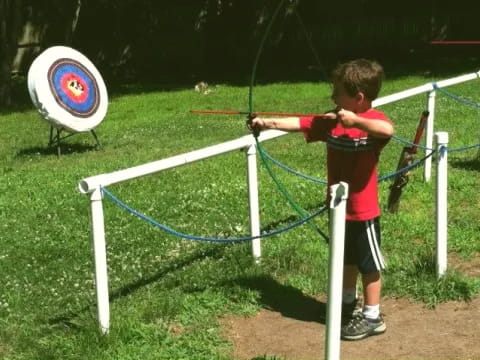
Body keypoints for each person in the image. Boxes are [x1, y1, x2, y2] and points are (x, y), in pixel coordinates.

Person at [250, 59, 394, 340]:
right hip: (338, 209)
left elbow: (388, 131)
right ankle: (346, 305)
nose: (333, 97)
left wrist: (355, 121)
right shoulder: (332, 122)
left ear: (359, 98)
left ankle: (373, 316)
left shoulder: (373, 123)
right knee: (346, 261)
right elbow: (299, 122)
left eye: (338, 93)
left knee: (369, 265)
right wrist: (264, 122)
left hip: (363, 213)